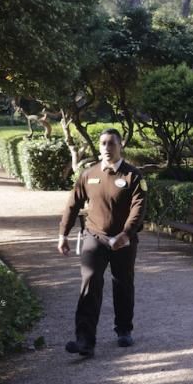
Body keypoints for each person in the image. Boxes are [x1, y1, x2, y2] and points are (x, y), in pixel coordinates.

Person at [58, 128, 147, 357]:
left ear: (120, 147)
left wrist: (126, 234)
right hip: (94, 237)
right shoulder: (89, 174)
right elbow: (73, 203)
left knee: (123, 283)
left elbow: (138, 208)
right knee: (90, 283)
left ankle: (124, 330)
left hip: (123, 241)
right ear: (98, 147)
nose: (107, 148)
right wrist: (63, 233)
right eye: (103, 143)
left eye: (111, 143)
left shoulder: (133, 176)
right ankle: (85, 341)